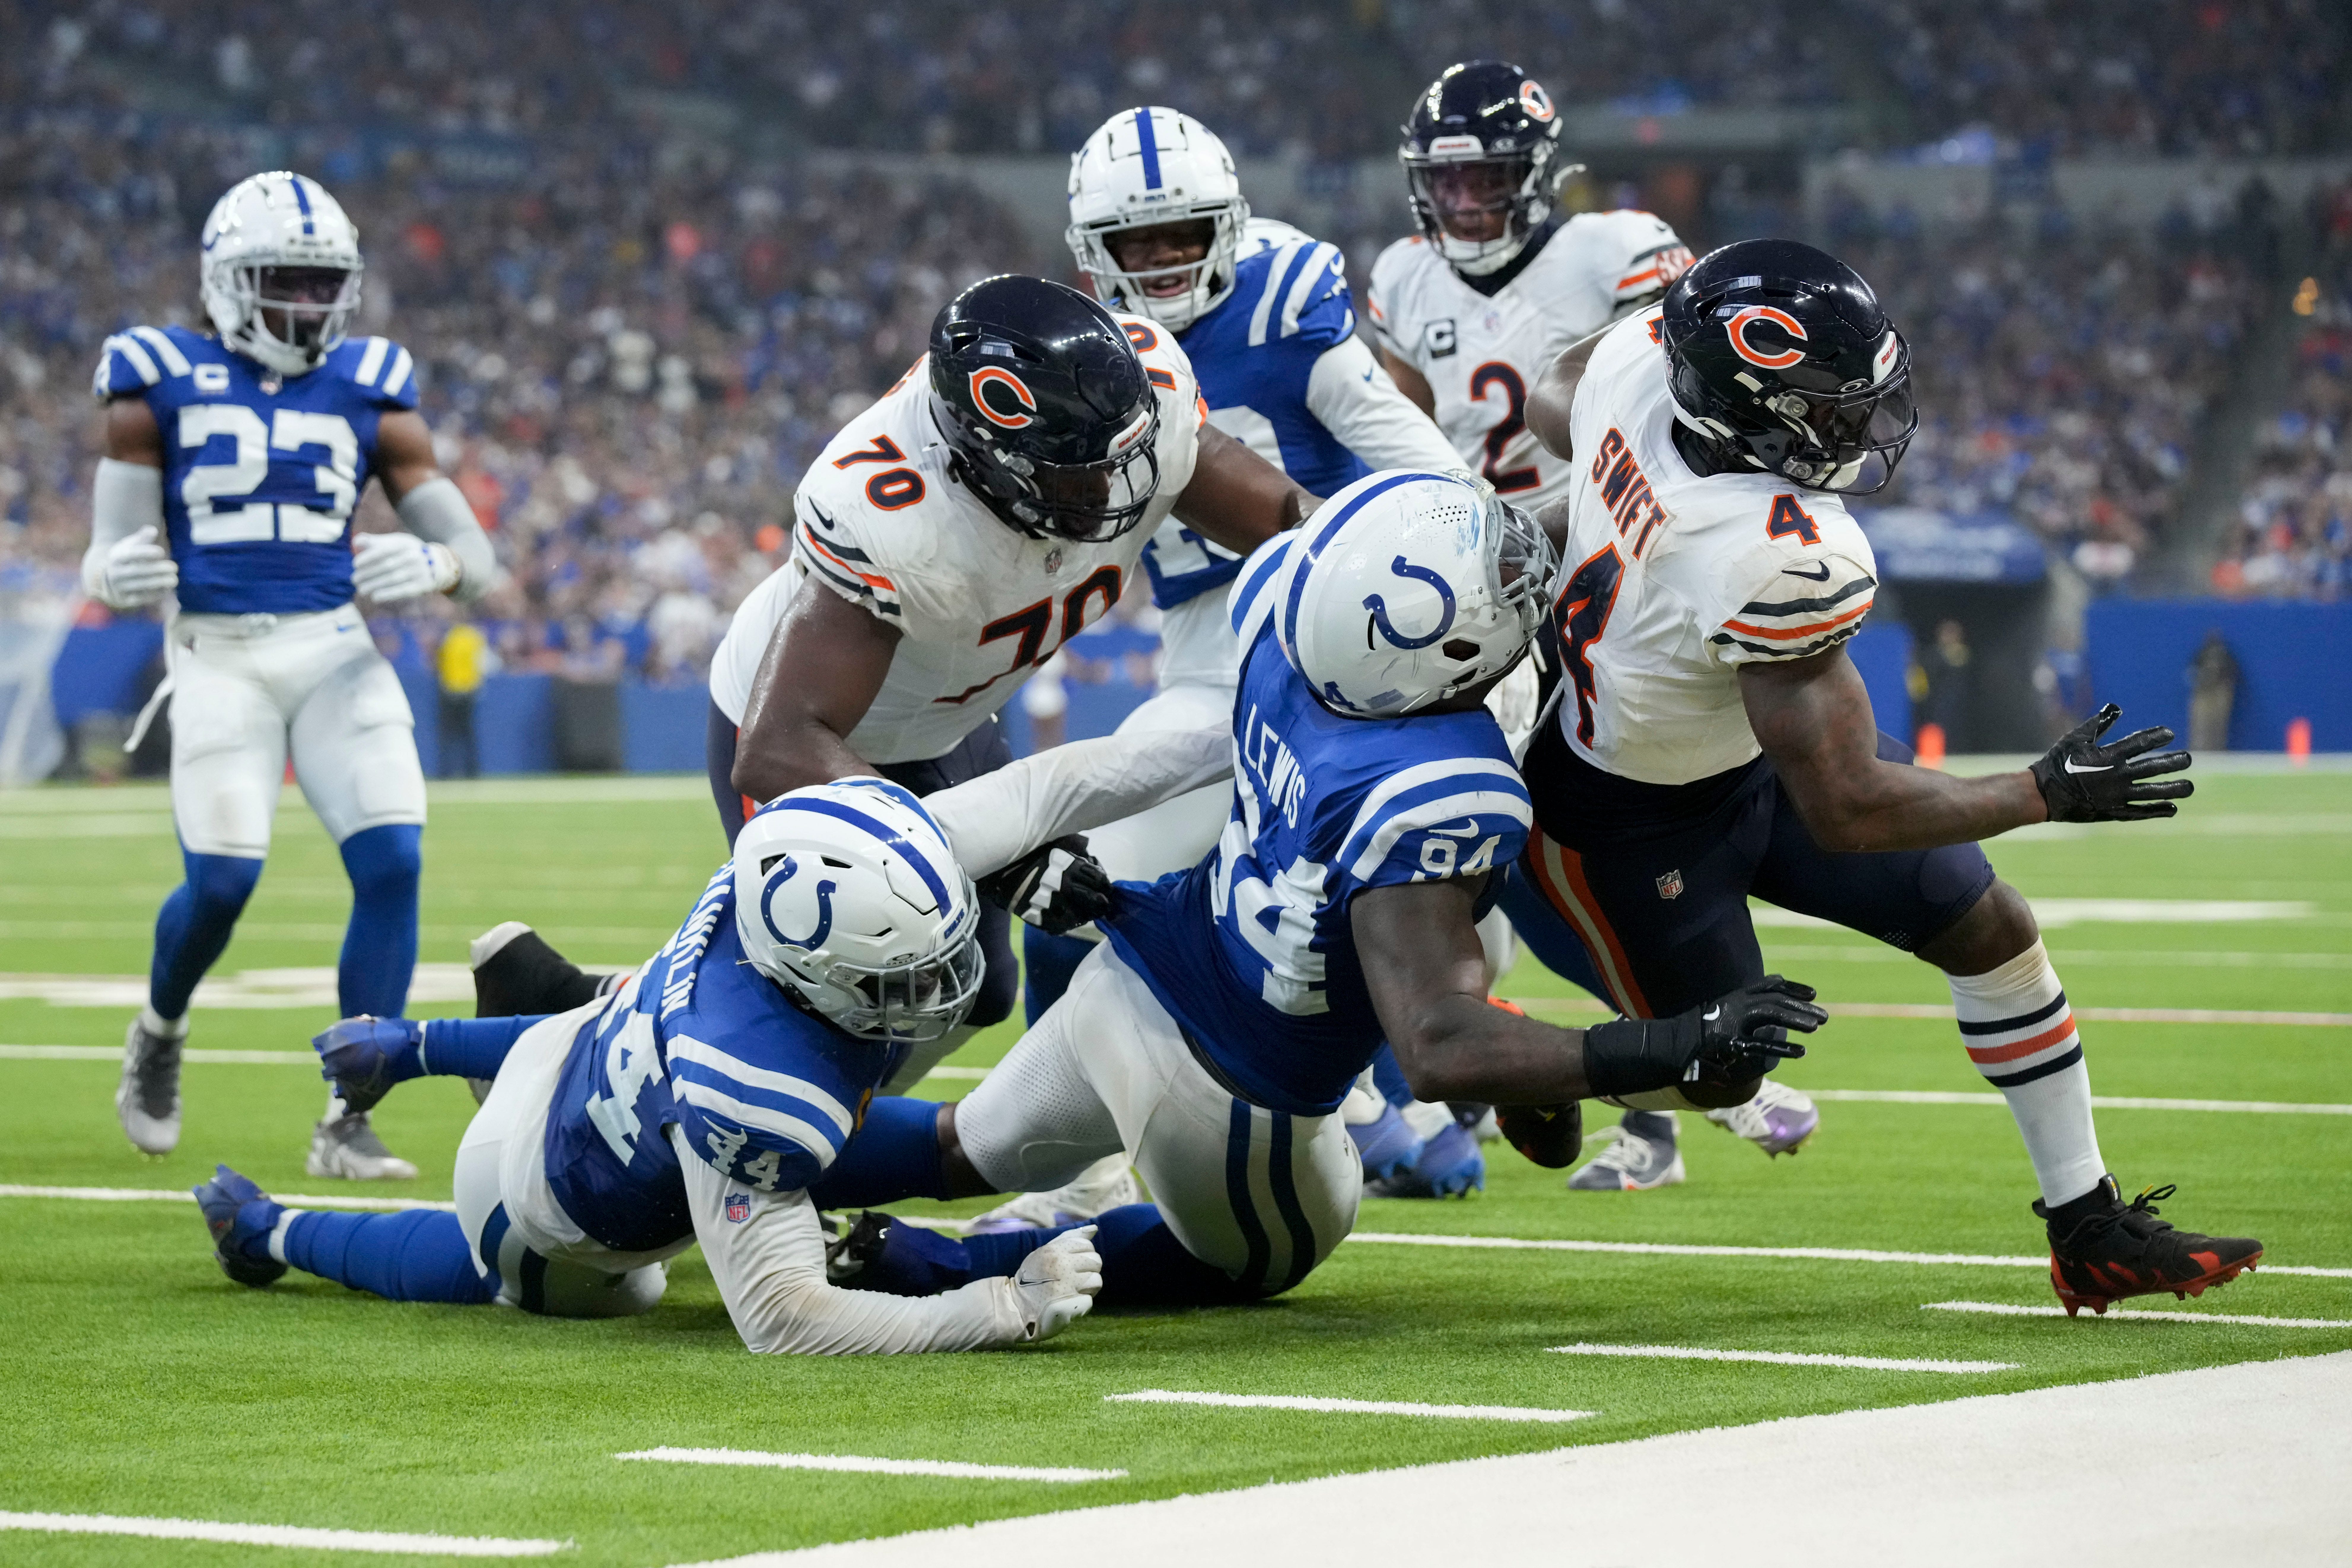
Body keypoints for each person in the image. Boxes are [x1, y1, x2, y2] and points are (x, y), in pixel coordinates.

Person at [787, 471, 1826, 1309]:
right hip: (1232, 1094)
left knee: (955, 1143)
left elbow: (1495, 534)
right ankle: (940, 1269)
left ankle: (709, 1153)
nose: (1523, 591)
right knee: (1254, 1262)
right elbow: (1437, 1045)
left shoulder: (1290, 612)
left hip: (1146, 964)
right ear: (1451, 650)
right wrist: (1666, 1044)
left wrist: (1647, 477)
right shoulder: (1437, 787)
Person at [1505, 237, 2261, 1313]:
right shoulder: (1769, 552)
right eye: (1827, 407)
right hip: (1622, 822)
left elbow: (1557, 392)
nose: (1857, 428)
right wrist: (2044, 790)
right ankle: (1518, 1058)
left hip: (1732, 752)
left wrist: (1605, 490)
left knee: (1986, 924)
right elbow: (1850, 806)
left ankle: (2085, 1224)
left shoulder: (1636, 371)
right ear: (1736, 408)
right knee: (1723, 1070)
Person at [478, 273, 1321, 1090]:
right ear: (988, 462)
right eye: (1075, 473)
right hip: (827, 743)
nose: (1114, 487)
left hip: (948, 716)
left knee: (979, 988)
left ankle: (572, 1007)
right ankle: (578, 1061)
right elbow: (778, 748)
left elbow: (1276, 521)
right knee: (847, 994)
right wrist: (996, 863)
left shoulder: (1133, 400)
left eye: (1123, 456)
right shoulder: (892, 515)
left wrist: (1349, 566)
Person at [192, 724, 1241, 1350]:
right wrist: (993, 1307)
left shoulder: (816, 874)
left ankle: (412, 1068)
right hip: (540, 1207)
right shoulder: (750, 1089)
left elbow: (1066, 780)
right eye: (904, 975)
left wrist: (1243, 735)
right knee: (527, 1272)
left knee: (953, 1146)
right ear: (820, 973)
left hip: (595, 1051)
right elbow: (784, 1319)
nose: (939, 986)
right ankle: (276, 1233)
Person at [993, 104, 1480, 1224]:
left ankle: (1390, 1098)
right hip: (1209, 662)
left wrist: (1460, 546)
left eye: (1183, 236)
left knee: (1370, 884)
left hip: (1337, 649)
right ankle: (1070, 1167)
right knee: (1070, 893)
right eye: (1137, 244)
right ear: (1089, 253)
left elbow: (1413, 456)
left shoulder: (1281, 299)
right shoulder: (1076, 347)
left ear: (1228, 224)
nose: (1164, 263)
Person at [1363, 60, 1816, 1173]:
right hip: (1461, 582)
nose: (1466, 203)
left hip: (1589, 564)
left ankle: (1666, 1088)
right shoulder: (1399, 273)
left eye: (1487, 179)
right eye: (1448, 182)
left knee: (1565, 830)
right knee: (1475, 836)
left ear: (1536, 175)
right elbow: (1390, 421)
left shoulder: (1611, 248)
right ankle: (1572, 1072)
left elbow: (1674, 398)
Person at [85, 172, 499, 1179]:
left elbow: (478, 562)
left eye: (325, 286)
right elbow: (109, 542)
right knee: (224, 877)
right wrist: (108, 566)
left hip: (333, 650)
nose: (309, 306)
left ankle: (349, 1115)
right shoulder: (156, 372)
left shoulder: (372, 383)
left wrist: (441, 567)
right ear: (227, 282)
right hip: (218, 652)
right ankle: (159, 1025)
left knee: (394, 861)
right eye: (286, 282)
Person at [435, 617, 489, 779]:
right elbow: (482, 664)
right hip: (468, 690)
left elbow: (441, 663)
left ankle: (448, 773)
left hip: (452, 690)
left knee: (451, 736)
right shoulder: (474, 636)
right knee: (467, 735)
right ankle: (472, 772)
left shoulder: (450, 637)